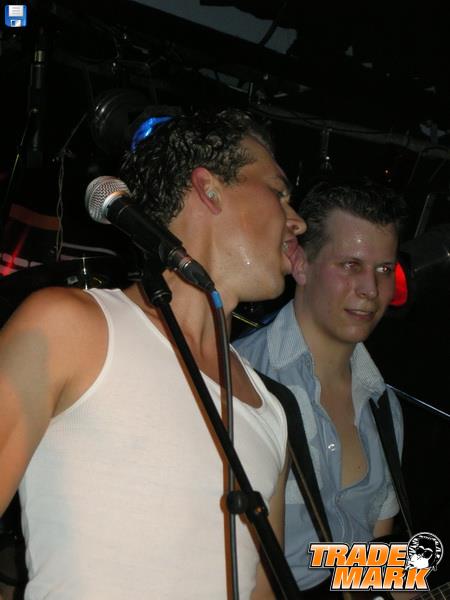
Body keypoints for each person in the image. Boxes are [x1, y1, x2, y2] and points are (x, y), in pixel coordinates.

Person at [0, 108, 306, 599]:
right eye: (279, 192)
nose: (298, 221)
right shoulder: (72, 328)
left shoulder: (270, 408)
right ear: (209, 189)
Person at [234, 178, 407, 594]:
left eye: (384, 270)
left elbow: (370, 562)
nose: (371, 289)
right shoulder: (242, 379)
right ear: (300, 263)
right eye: (350, 265)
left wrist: (404, 586)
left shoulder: (384, 405)